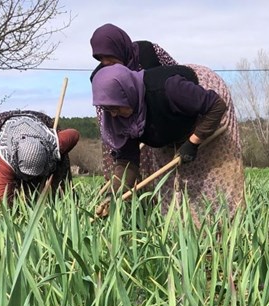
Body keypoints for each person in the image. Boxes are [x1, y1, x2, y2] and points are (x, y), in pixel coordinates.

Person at [90, 23, 244, 213]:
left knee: (211, 180)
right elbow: (127, 160)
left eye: (115, 108)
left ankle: (226, 228)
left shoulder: (169, 88)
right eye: (108, 109)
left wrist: (194, 141)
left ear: (127, 94)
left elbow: (216, 106)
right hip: (164, 124)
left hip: (202, 110)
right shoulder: (118, 114)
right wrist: (113, 197)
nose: (113, 114)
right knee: (171, 186)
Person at [0, 110, 80, 206]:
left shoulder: (53, 143)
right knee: (5, 190)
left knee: (60, 170)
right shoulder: (6, 158)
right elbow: (2, 197)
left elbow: (74, 134)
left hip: (39, 122)